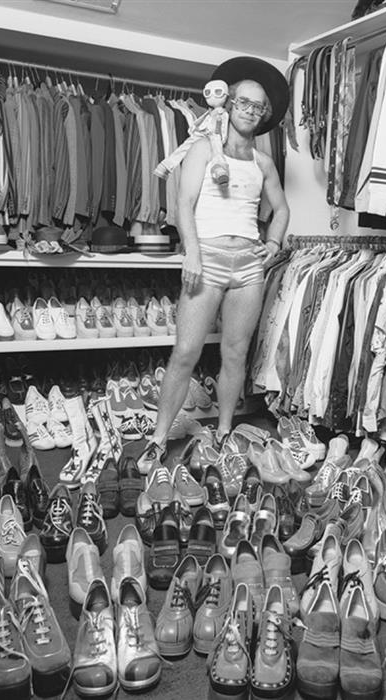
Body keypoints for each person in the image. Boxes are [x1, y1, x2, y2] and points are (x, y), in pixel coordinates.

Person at [141, 57, 290, 464]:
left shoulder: (263, 164)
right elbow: (183, 204)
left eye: (258, 107)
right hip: (206, 260)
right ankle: (157, 438)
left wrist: (273, 245)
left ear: (264, 116)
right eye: (243, 102)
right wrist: (192, 253)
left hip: (248, 267)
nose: (249, 110)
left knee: (236, 354)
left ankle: (224, 432)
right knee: (186, 352)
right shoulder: (203, 149)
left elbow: (281, 210)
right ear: (227, 103)